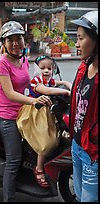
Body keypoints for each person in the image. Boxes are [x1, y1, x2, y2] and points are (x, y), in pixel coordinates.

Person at [0, 21, 52, 202]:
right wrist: (34, 101)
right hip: (9, 116)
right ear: (4, 42)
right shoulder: (2, 63)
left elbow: (33, 84)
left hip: (24, 113)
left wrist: (54, 87)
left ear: (24, 40)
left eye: (18, 38)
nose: (15, 43)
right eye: (9, 39)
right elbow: (10, 94)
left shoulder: (24, 59)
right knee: (14, 161)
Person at [17, 55, 71, 188]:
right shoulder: (36, 81)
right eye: (43, 68)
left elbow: (55, 83)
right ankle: (39, 168)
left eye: (49, 68)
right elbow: (45, 90)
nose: (46, 71)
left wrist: (67, 84)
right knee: (45, 142)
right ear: (37, 69)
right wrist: (66, 92)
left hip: (46, 112)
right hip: (34, 113)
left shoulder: (49, 80)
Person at [69, 11, 98, 202]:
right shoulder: (84, 67)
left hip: (93, 153)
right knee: (79, 197)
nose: (77, 44)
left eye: (80, 38)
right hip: (77, 145)